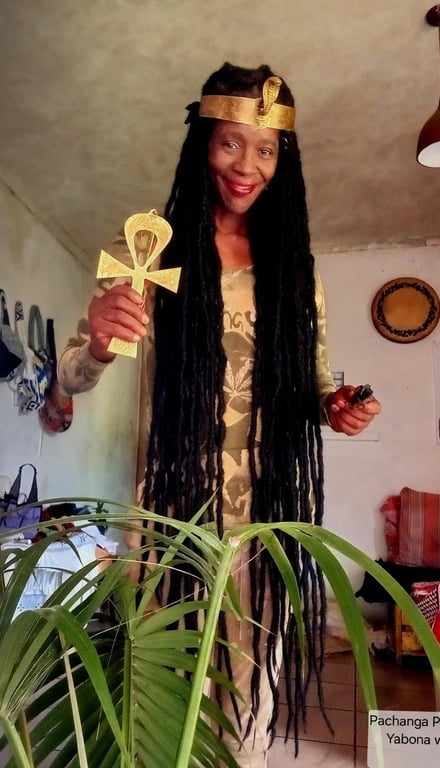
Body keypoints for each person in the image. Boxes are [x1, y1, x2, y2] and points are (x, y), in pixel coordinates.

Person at [58, 62, 381, 767]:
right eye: (230, 142)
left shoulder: (294, 272)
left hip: (265, 516)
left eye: (266, 149)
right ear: (201, 142)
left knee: (247, 687)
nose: (247, 166)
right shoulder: (148, 250)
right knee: (161, 684)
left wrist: (334, 408)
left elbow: (314, 385)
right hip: (172, 509)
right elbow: (71, 376)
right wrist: (101, 340)